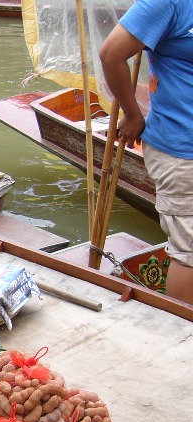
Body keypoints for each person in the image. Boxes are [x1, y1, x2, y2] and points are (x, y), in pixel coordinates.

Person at [99, 0, 193, 306]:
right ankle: (181, 339)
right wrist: (133, 114)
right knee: (189, 251)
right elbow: (112, 54)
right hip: (183, 151)